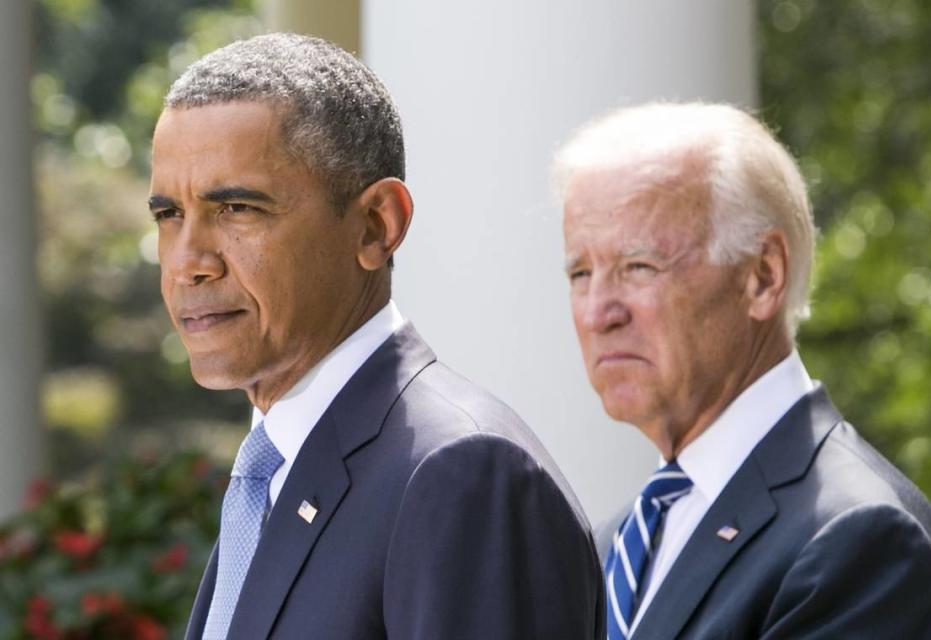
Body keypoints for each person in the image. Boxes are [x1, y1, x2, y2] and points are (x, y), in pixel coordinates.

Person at [150, 33, 603, 640]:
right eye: (168, 215)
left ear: (375, 226)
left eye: (237, 209)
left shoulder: (460, 474)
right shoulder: (271, 473)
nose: (189, 262)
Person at [554, 102, 931, 639]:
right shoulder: (614, 546)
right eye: (581, 273)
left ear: (763, 277)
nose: (598, 312)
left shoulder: (857, 537)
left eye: (638, 267)